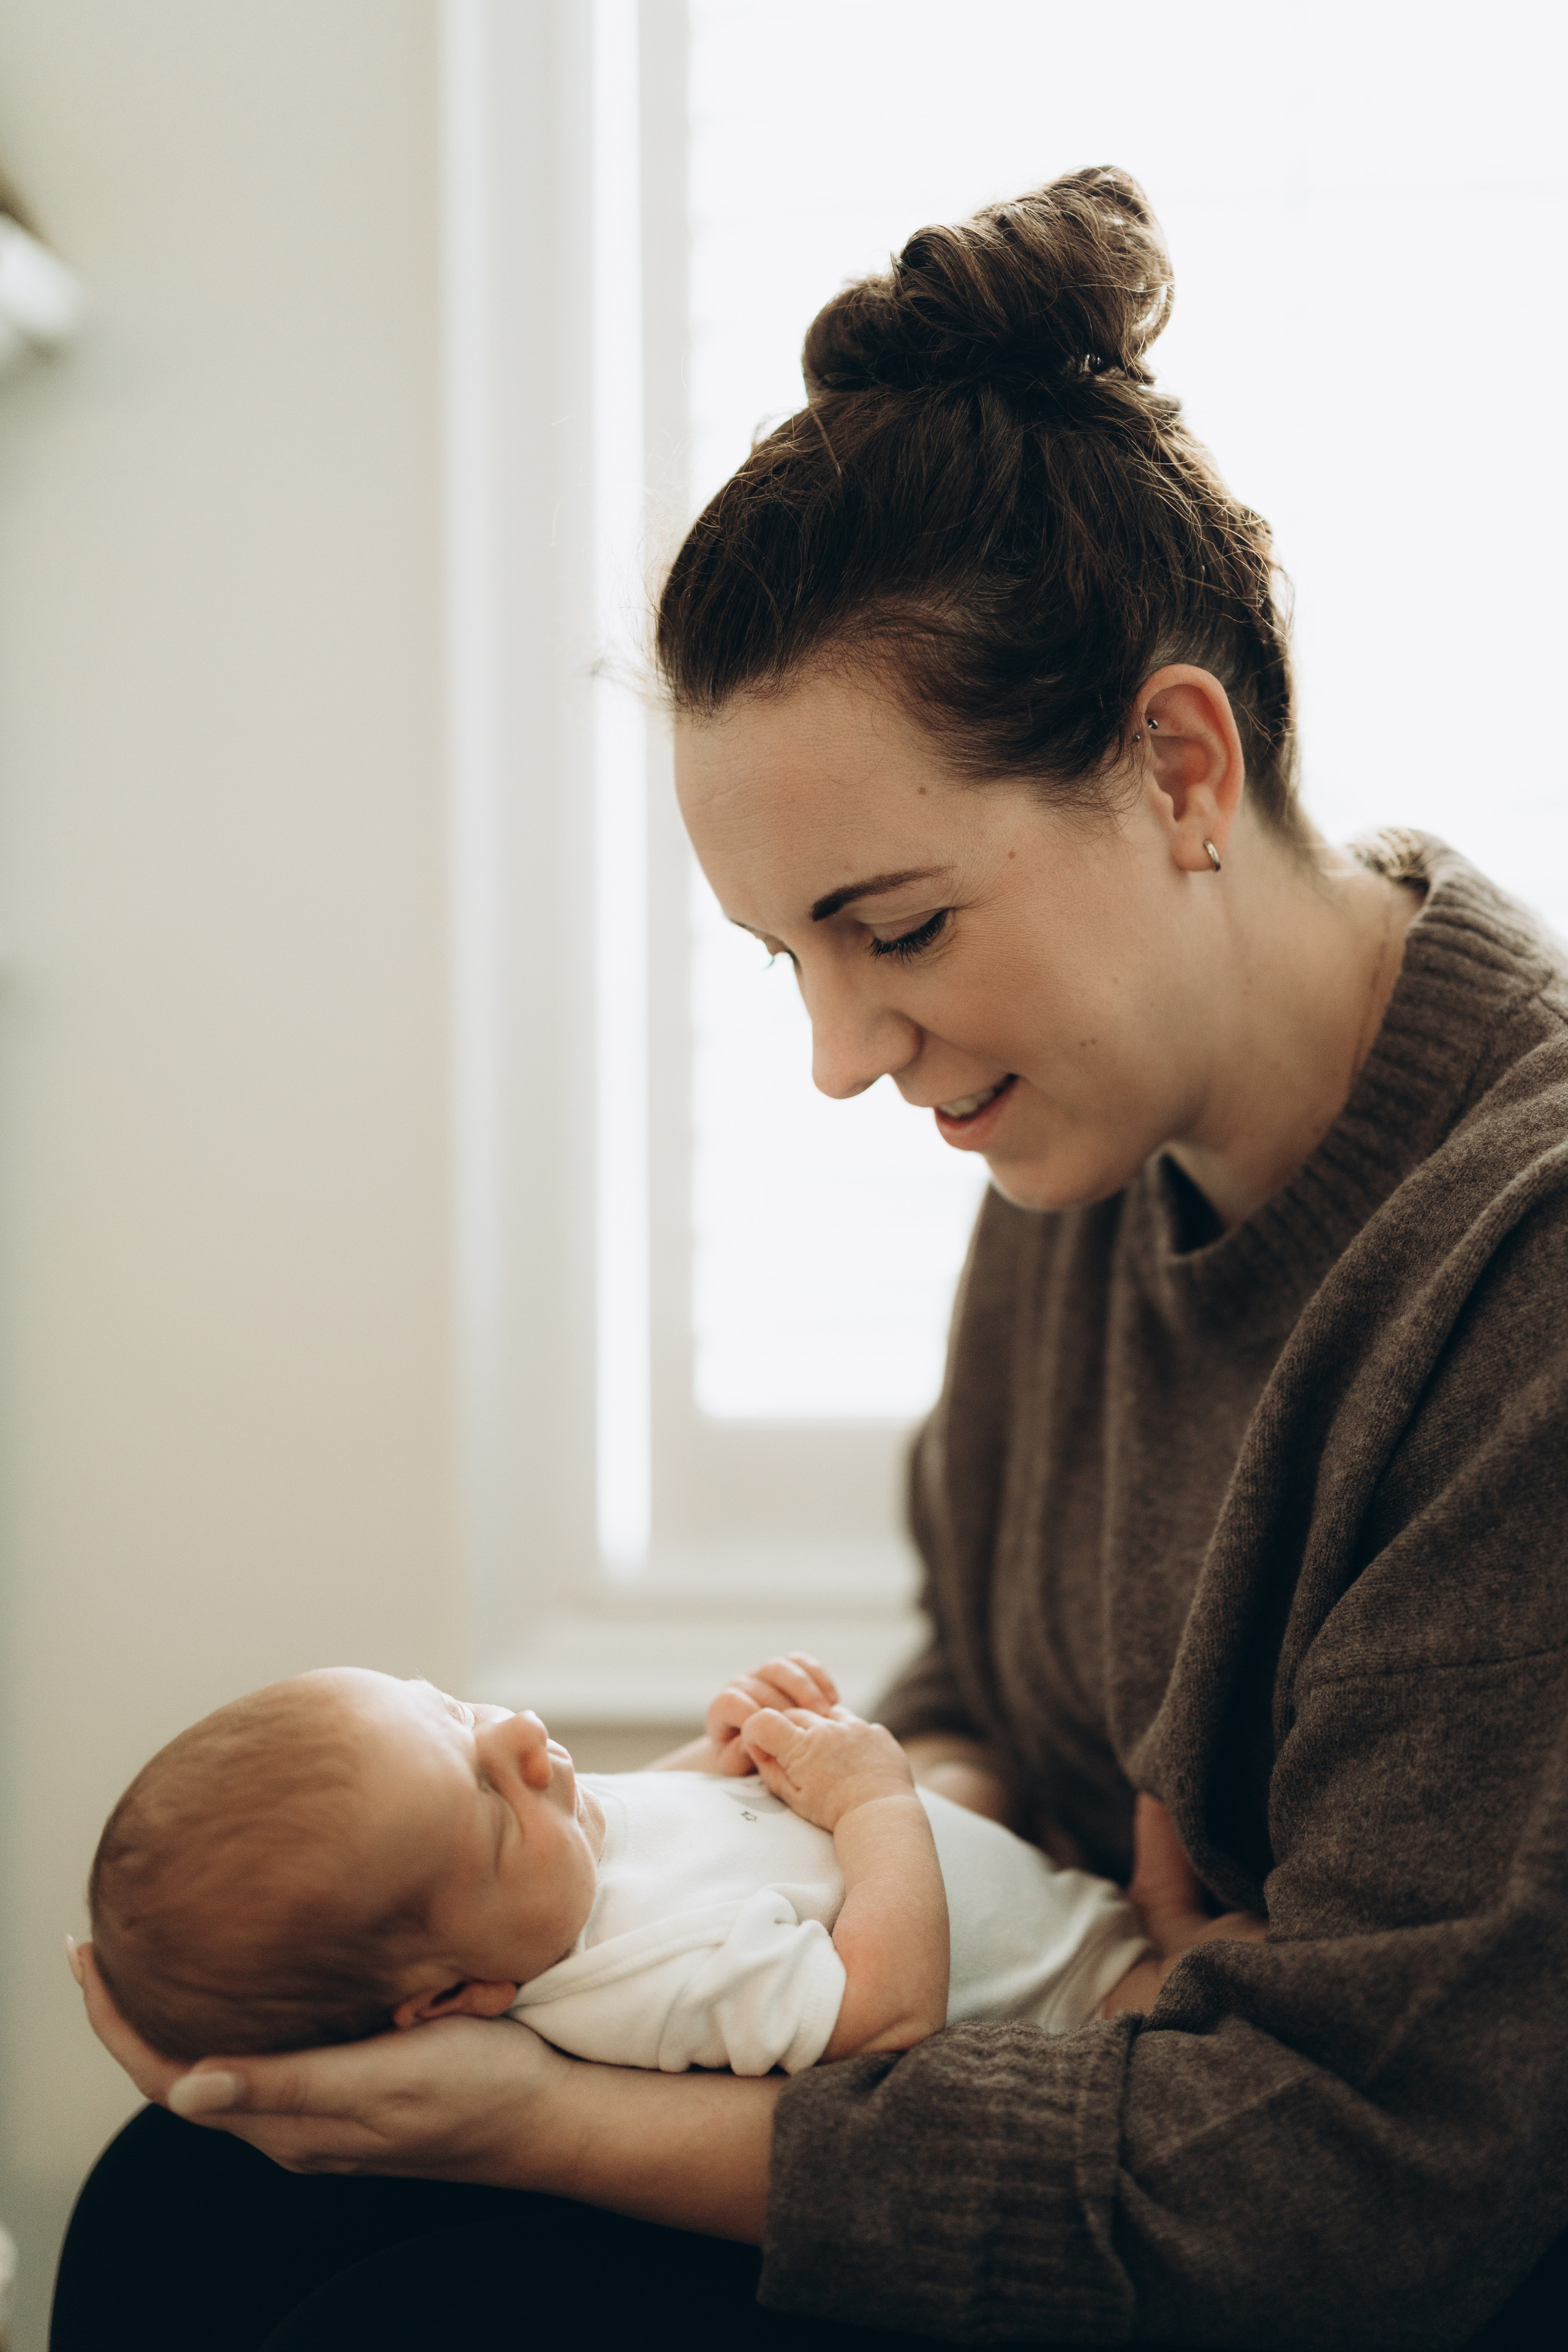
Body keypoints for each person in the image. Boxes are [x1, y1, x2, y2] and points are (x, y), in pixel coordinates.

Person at [55, 163, 1568, 2349]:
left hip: (1302, 2252)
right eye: (787, 959)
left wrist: (535, 2114)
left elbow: (1343, 2199)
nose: (847, 1060)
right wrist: (743, 1852)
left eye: (900, 930)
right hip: (1049, 2063)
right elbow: (995, 1702)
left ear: (1175, 765)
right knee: (185, 2202)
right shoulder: (1079, 1145)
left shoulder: (1515, 1288)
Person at [85, 1660, 1148, 2071]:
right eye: (489, 1806)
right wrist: (872, 1802)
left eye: (459, 1713)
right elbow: (885, 2018)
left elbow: (664, 1820)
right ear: (460, 1992)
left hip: (1059, 1896)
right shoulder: (641, 1982)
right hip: (1089, 2000)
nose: (521, 1739)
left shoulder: (554, 1874)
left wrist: (730, 1752)